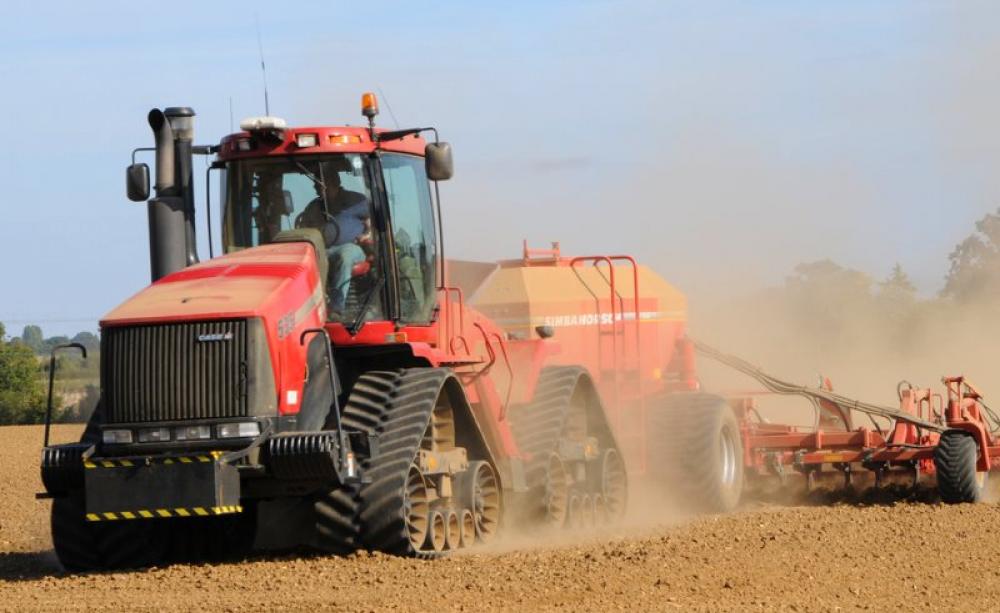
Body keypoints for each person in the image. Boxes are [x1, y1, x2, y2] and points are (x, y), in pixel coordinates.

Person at [299, 170, 371, 314]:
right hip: (322, 250)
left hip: (351, 246)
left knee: (345, 256)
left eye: (319, 184)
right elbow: (302, 229)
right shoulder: (313, 207)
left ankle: (336, 308)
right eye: (315, 184)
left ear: (334, 183)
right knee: (303, 263)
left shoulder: (356, 200)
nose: (315, 187)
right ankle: (308, 309)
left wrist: (368, 234)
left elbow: (374, 220)